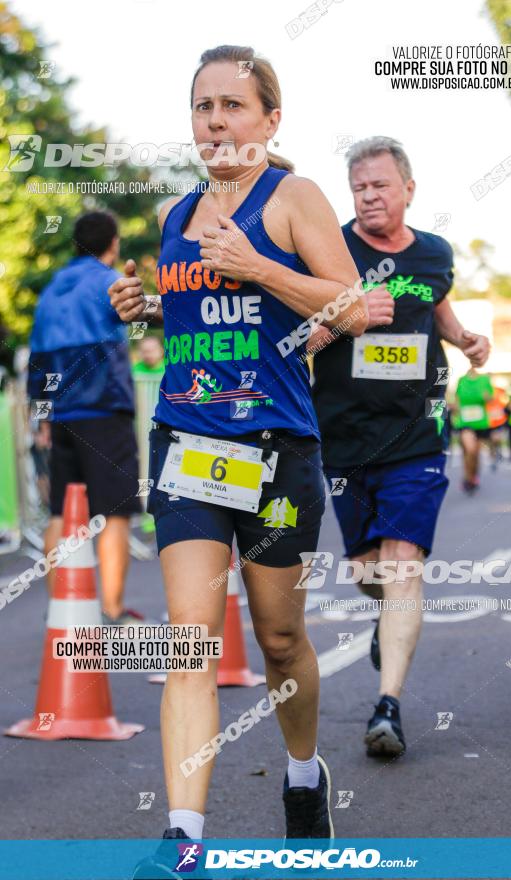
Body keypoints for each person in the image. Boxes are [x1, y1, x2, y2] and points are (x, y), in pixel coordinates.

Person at [108, 45, 368, 868]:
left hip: (275, 448)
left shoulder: (293, 198)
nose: (215, 122)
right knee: (191, 636)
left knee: (280, 637)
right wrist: (143, 306)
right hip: (187, 441)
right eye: (201, 107)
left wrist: (255, 263)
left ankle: (301, 775)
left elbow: (355, 306)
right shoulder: (174, 216)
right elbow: (200, 315)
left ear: (268, 118)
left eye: (231, 106)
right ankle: (183, 834)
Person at [308, 137, 490, 758]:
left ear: (409, 189)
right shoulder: (330, 250)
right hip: (344, 437)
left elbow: (437, 302)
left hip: (415, 433)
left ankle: (388, 707)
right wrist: (346, 316)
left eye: (381, 185)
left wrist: (464, 337)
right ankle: (389, 621)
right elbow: (298, 338)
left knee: (402, 564)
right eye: (359, 186)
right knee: (368, 573)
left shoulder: (435, 253)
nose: (369, 195)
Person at [27, 212, 144, 626]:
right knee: (115, 510)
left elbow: (37, 359)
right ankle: (111, 610)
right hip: (104, 410)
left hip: (61, 414)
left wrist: (40, 415)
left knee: (61, 511)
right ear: (112, 243)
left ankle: (62, 608)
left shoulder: (53, 289)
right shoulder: (108, 281)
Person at [454, 367, 494, 493]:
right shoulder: (462, 380)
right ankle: (467, 477)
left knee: (475, 454)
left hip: (481, 423)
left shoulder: (484, 379)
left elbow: (491, 398)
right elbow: (457, 398)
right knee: (469, 450)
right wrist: (455, 407)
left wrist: (487, 397)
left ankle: (473, 476)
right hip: (465, 422)